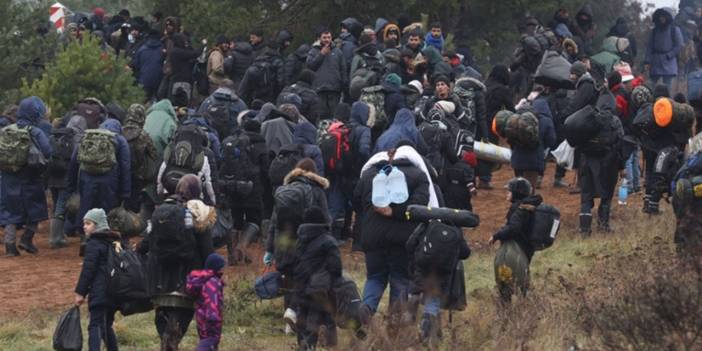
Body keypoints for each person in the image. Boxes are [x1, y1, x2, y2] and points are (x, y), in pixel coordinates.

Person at [353, 144, 431, 323]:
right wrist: (395, 212)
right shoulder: (419, 176)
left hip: (373, 237)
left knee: (374, 277)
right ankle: (395, 320)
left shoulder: (370, 174)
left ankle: (366, 310)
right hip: (403, 239)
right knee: (400, 278)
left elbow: (356, 200)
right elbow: (419, 207)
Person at [138, 175, 214, 350]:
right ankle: (171, 342)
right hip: (185, 278)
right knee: (181, 318)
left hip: (158, 280)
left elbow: (146, 244)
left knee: (164, 320)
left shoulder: (160, 211)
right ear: (197, 192)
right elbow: (207, 250)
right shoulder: (199, 212)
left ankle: (168, 341)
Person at [265, 158, 330, 334]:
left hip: (283, 244)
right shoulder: (316, 190)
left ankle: (289, 323)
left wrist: (269, 249)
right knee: (307, 280)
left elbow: (273, 222)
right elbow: (325, 219)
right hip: (307, 244)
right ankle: (298, 315)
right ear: (314, 172)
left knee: (289, 279)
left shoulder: (284, 190)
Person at [67, 118, 131, 250]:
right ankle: (104, 243)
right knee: (107, 212)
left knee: (86, 207)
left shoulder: (88, 136)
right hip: (110, 181)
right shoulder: (119, 140)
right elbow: (125, 166)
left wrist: (71, 185)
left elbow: (74, 161)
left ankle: (85, 239)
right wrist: (125, 192)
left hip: (86, 179)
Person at [0, 97, 52, 256]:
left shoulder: (6, 130)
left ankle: (9, 246)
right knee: (36, 208)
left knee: (10, 211)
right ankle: (27, 239)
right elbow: (47, 151)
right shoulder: (35, 131)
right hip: (30, 178)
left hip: (8, 178)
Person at [294, 206, 342, 350]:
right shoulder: (328, 240)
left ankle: (303, 345)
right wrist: (336, 282)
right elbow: (336, 266)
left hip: (301, 285)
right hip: (321, 287)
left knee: (302, 316)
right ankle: (310, 346)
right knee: (317, 318)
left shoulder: (300, 239)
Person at [488, 177, 542, 302]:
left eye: (509, 191)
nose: (507, 193)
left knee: (507, 283)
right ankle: (527, 310)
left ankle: (509, 312)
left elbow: (513, 228)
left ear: (517, 193)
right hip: (525, 249)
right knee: (523, 280)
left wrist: (496, 236)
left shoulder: (520, 209)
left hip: (516, 250)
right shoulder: (527, 206)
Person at [73, 208, 119, 351]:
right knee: (106, 325)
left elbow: (88, 271)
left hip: (100, 291)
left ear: (98, 225)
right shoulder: (114, 242)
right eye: (84, 223)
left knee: (95, 325)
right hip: (114, 291)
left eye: (88, 223)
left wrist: (80, 293)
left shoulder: (94, 244)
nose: (84, 226)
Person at [481, 65, 514, 189]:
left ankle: (476, 178)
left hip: (478, 121)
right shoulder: (502, 89)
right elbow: (510, 107)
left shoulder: (484, 85)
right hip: (492, 122)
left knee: (478, 149)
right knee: (489, 150)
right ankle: (485, 179)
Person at [185, 253, 225, 351]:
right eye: (222, 267)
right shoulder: (213, 282)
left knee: (208, 342)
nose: (224, 269)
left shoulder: (203, 280)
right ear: (217, 268)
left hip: (201, 319)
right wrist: (213, 318)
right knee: (210, 341)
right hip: (210, 320)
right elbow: (212, 301)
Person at [306, 28, 347, 121]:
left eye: (329, 37)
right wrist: (321, 54)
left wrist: (343, 84)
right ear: (319, 38)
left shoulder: (337, 52)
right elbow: (310, 66)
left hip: (334, 89)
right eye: (324, 37)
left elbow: (343, 69)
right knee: (321, 117)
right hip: (319, 89)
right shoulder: (313, 51)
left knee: (335, 117)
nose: (327, 40)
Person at [645, 8, 684, 89]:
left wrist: (669, 55)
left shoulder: (674, 29)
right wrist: (647, 61)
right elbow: (650, 46)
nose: (661, 18)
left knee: (667, 87)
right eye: (660, 16)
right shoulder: (655, 31)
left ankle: (665, 101)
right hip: (655, 61)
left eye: (663, 16)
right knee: (651, 86)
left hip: (668, 61)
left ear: (667, 17)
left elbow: (679, 45)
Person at [131, 29, 164, 100]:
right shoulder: (162, 49)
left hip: (144, 79)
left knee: (143, 100)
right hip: (159, 81)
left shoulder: (142, 49)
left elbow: (136, 65)